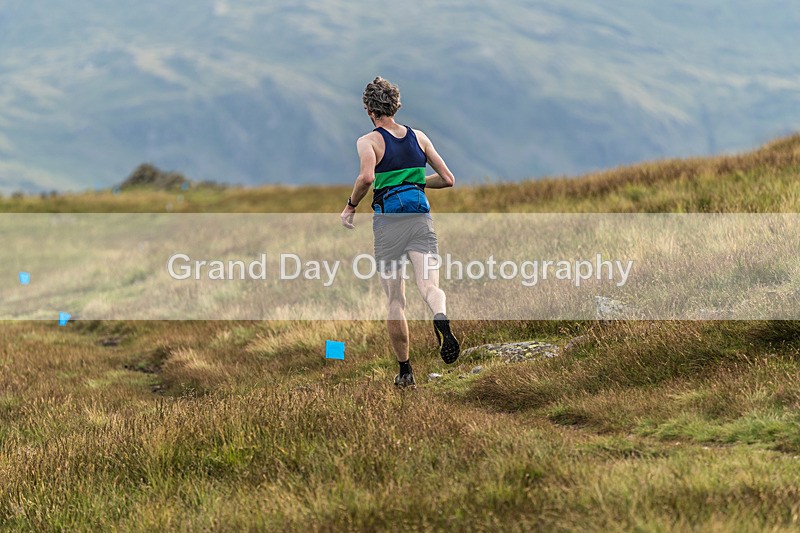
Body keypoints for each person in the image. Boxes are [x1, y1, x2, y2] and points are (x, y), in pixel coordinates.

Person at [341, 76, 460, 388]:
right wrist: (418, 183)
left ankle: (406, 372)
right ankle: (440, 315)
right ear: (395, 105)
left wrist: (351, 205)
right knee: (429, 285)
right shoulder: (418, 138)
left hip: (389, 225)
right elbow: (447, 179)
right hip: (420, 219)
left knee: (396, 298)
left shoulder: (368, 141)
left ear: (369, 110)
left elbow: (367, 178)